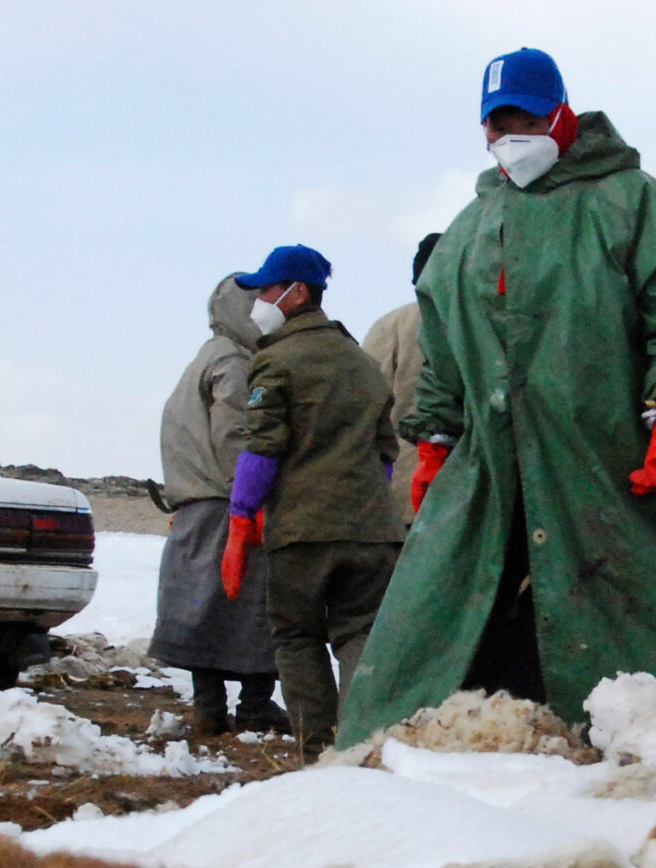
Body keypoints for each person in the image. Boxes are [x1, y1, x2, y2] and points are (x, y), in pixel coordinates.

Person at [336, 47, 656, 744]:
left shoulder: (635, 205)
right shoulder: (469, 231)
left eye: (521, 117)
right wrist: (434, 442)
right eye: (493, 123)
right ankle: (408, 755)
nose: (505, 135)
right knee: (442, 612)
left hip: (616, 462)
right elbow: (445, 348)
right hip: (497, 471)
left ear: (561, 113)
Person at [219, 243, 401, 758]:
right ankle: (366, 743)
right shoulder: (363, 363)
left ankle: (317, 752)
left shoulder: (276, 361)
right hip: (372, 531)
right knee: (359, 632)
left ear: (297, 293)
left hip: (302, 533)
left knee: (297, 638)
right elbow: (385, 453)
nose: (260, 299)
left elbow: (262, 449)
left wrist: (240, 520)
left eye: (268, 289)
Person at [149, 274, 286, 736]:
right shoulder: (236, 362)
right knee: (254, 609)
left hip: (195, 506)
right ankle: (255, 706)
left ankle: (209, 708)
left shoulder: (205, 358)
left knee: (202, 613)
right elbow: (236, 437)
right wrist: (253, 498)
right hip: (227, 507)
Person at [360, 232, 442, 527]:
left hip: (403, 483)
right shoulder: (477, 321)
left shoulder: (390, 326)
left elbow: (365, 404)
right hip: (468, 482)